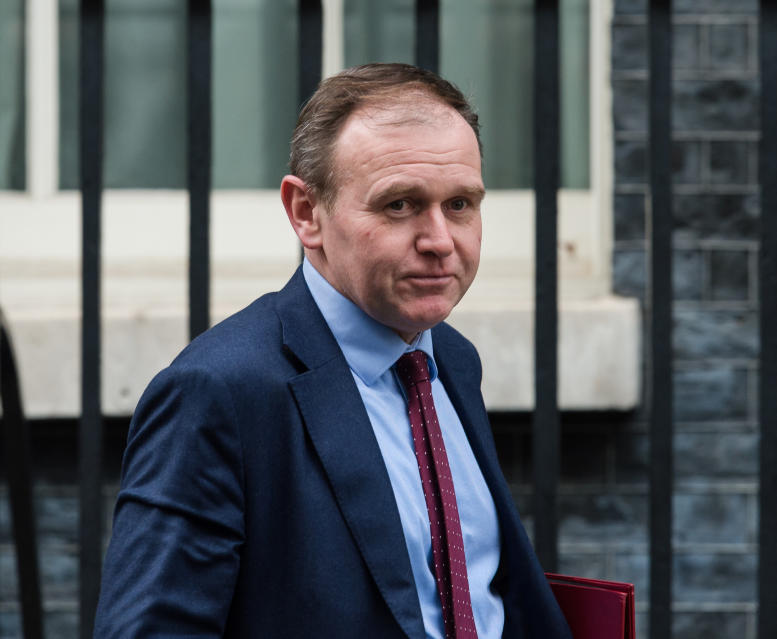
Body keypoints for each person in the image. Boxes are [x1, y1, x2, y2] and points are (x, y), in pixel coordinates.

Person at [94, 63, 571, 638]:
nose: (440, 241)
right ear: (305, 213)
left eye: (461, 205)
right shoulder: (217, 391)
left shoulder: (449, 359)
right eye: (399, 205)